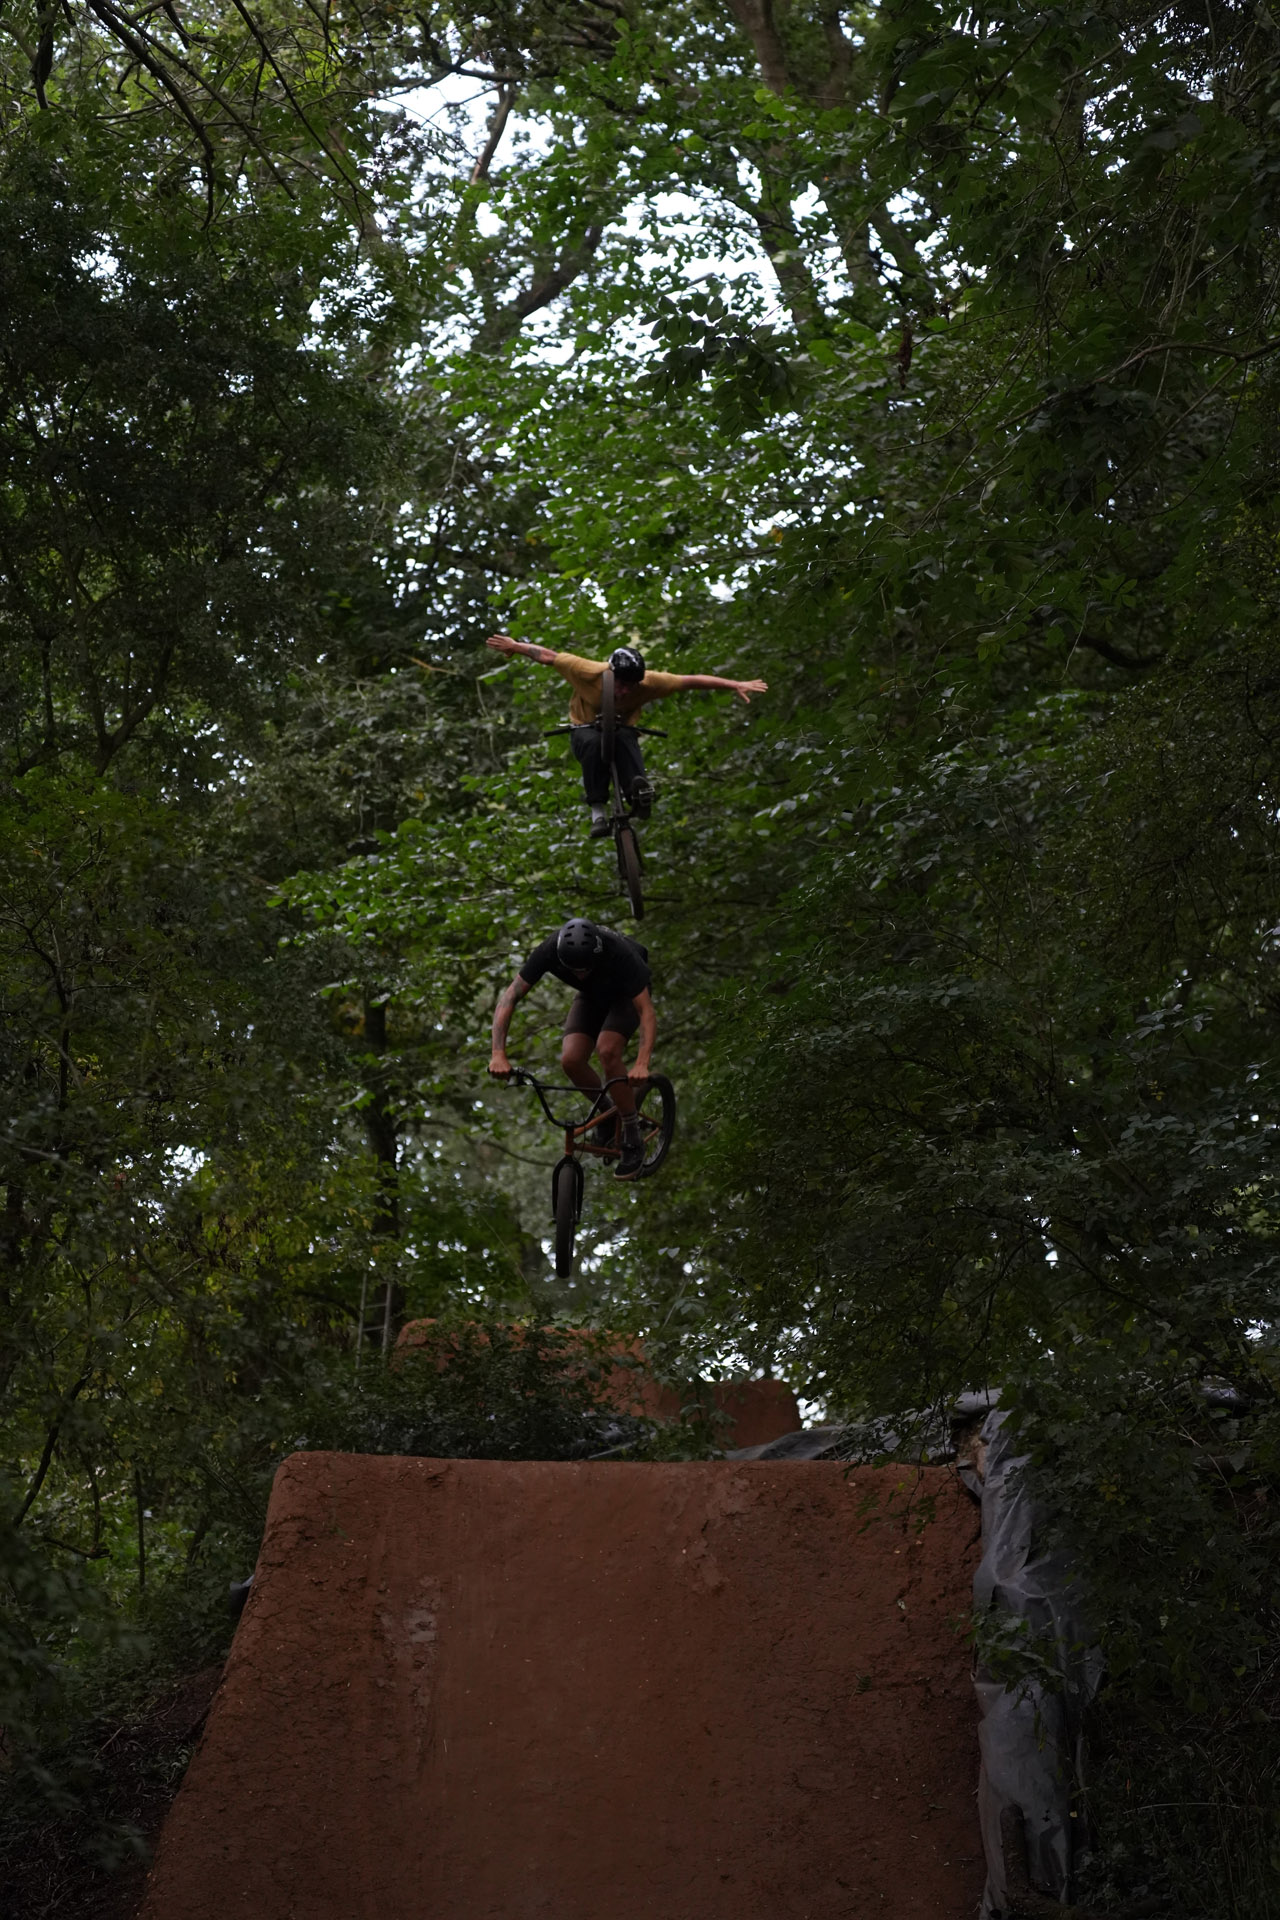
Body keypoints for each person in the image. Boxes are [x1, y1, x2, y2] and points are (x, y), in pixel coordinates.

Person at [485, 633, 768, 837]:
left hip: (622, 729)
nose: (625, 692)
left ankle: (638, 793)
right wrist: (514, 646)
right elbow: (547, 656)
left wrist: (734, 684)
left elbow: (689, 681)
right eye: (621, 685)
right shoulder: (588, 671)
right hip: (583, 727)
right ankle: (597, 811)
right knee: (592, 743)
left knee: (625, 737)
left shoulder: (649, 683)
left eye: (631, 686)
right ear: (610, 675)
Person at [488, 917, 656, 1179]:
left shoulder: (619, 952)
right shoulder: (547, 951)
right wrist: (498, 1053)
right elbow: (510, 997)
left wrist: (642, 1062)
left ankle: (632, 1135)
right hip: (592, 996)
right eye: (573, 970)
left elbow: (645, 1011)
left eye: (585, 968)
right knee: (571, 1060)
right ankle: (608, 1114)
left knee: (607, 1050)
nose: (579, 974)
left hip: (626, 995)